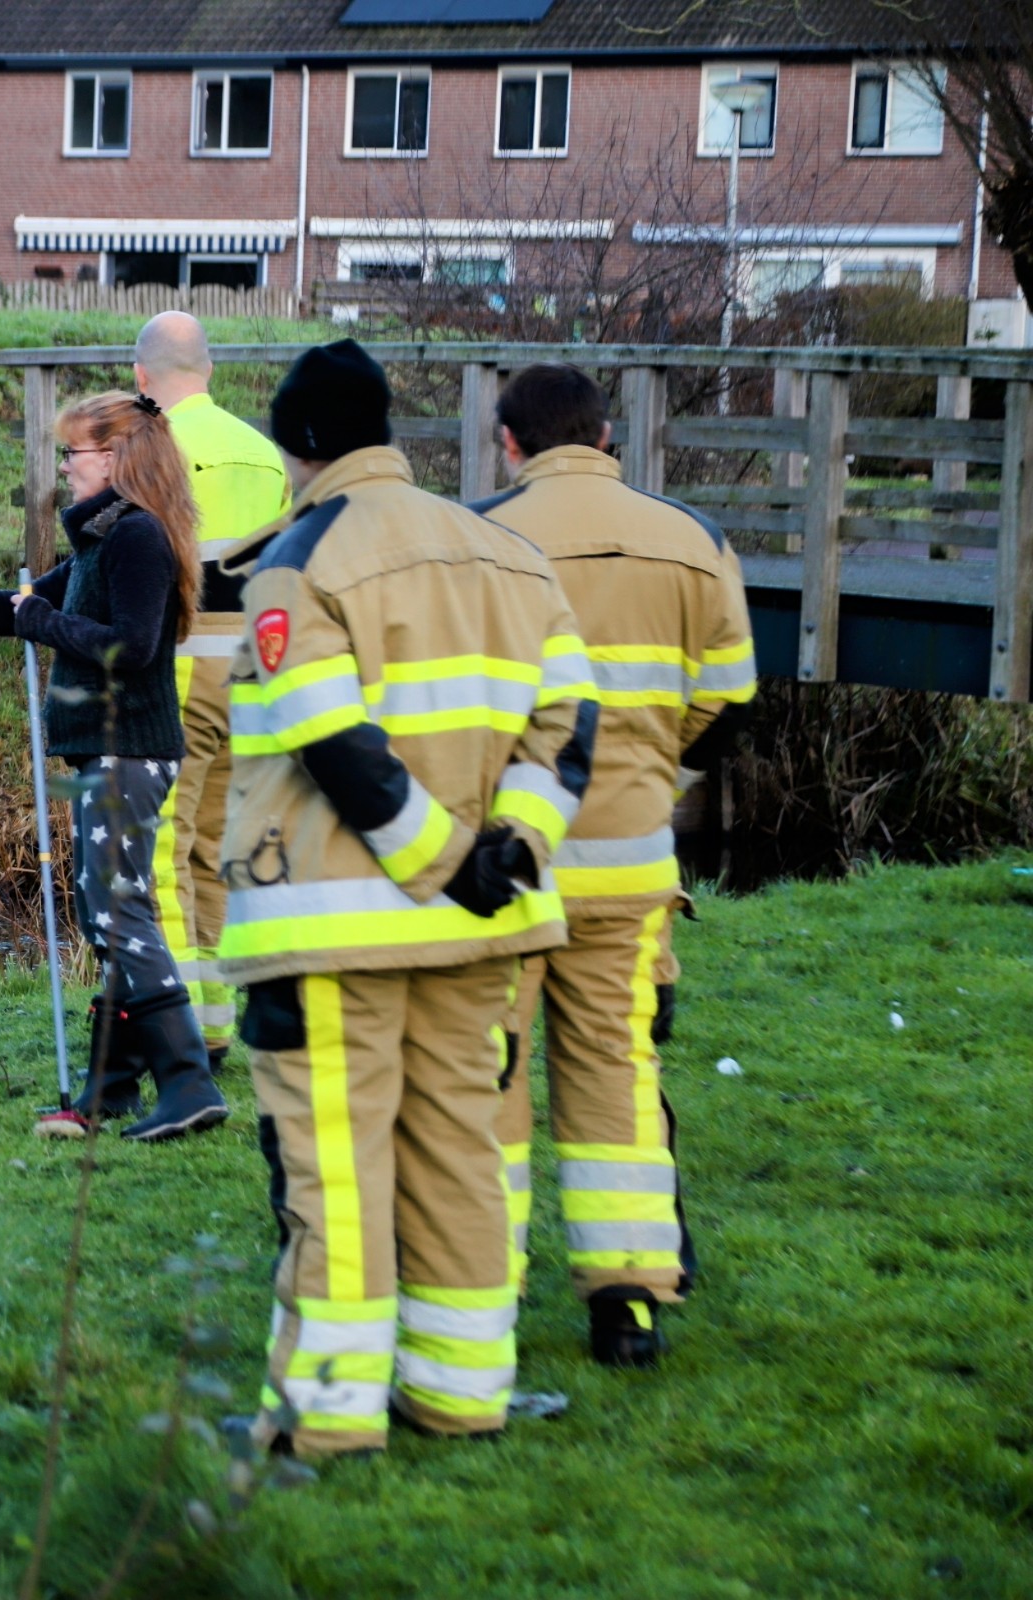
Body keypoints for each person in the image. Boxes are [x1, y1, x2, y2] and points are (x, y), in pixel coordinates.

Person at [214, 340, 597, 1459]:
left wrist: (438, 860)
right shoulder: (511, 552)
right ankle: (461, 1393)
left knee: (336, 1171)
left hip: (336, 931)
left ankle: (326, 1422)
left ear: (302, 446)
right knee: (460, 1161)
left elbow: (335, 738)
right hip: (484, 933)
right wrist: (509, 853)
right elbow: (568, 723)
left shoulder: (298, 560)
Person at [470, 363, 756, 1368]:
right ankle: (628, 1297)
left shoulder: (482, 538)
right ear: (604, 435)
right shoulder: (694, 540)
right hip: (631, 864)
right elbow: (728, 702)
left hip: (508, 865)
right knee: (617, 1079)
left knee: (489, 1080)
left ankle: (482, 1291)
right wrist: (651, 765)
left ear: (509, 443)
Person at [0, 390, 230, 1142]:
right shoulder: (104, 542)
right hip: (107, 753)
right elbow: (18, 605)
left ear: (117, 459)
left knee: (120, 912)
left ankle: (187, 1085)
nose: (65, 465)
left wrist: (44, 621)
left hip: (129, 752)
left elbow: (134, 647)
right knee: (105, 910)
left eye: (75, 453)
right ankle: (111, 1087)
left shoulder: (138, 540)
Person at [132, 312, 289, 1066]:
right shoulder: (264, 456)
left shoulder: (153, 451)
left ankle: (181, 1021)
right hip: (255, 672)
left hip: (182, 663)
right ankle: (220, 1017)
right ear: (211, 370)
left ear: (141, 377)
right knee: (219, 848)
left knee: (164, 842)